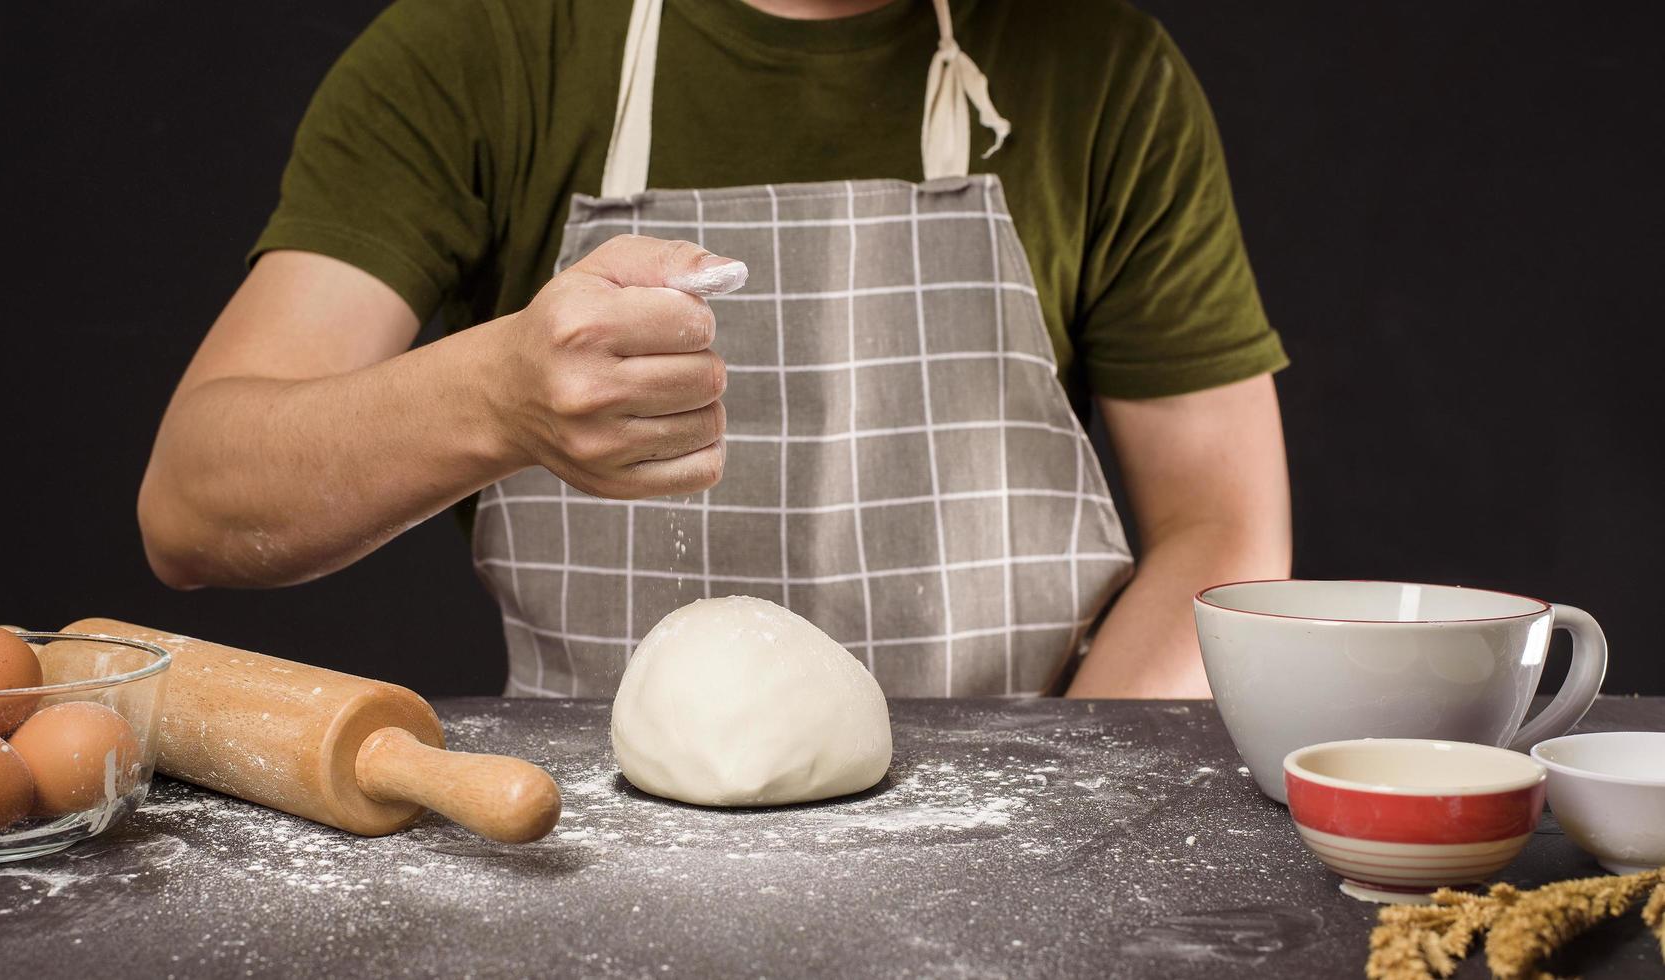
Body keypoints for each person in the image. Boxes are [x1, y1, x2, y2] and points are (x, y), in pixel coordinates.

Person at [137, 0, 1292, 699]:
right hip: (590, 841)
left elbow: (1222, 526)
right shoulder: (482, 50)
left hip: (1020, 831)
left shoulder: (1104, 72)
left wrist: (1056, 812)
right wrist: (495, 398)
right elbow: (195, 506)